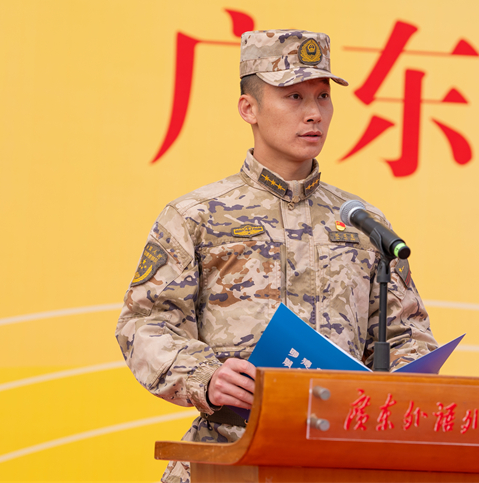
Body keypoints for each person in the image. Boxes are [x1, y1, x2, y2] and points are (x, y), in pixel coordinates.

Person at [115, 29, 438, 483]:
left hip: (338, 464)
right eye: (293, 97)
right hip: (227, 457)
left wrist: (400, 390)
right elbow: (145, 324)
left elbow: (406, 333)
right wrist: (206, 376)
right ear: (249, 108)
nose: (314, 113)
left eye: (323, 97)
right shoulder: (197, 216)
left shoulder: (363, 223)